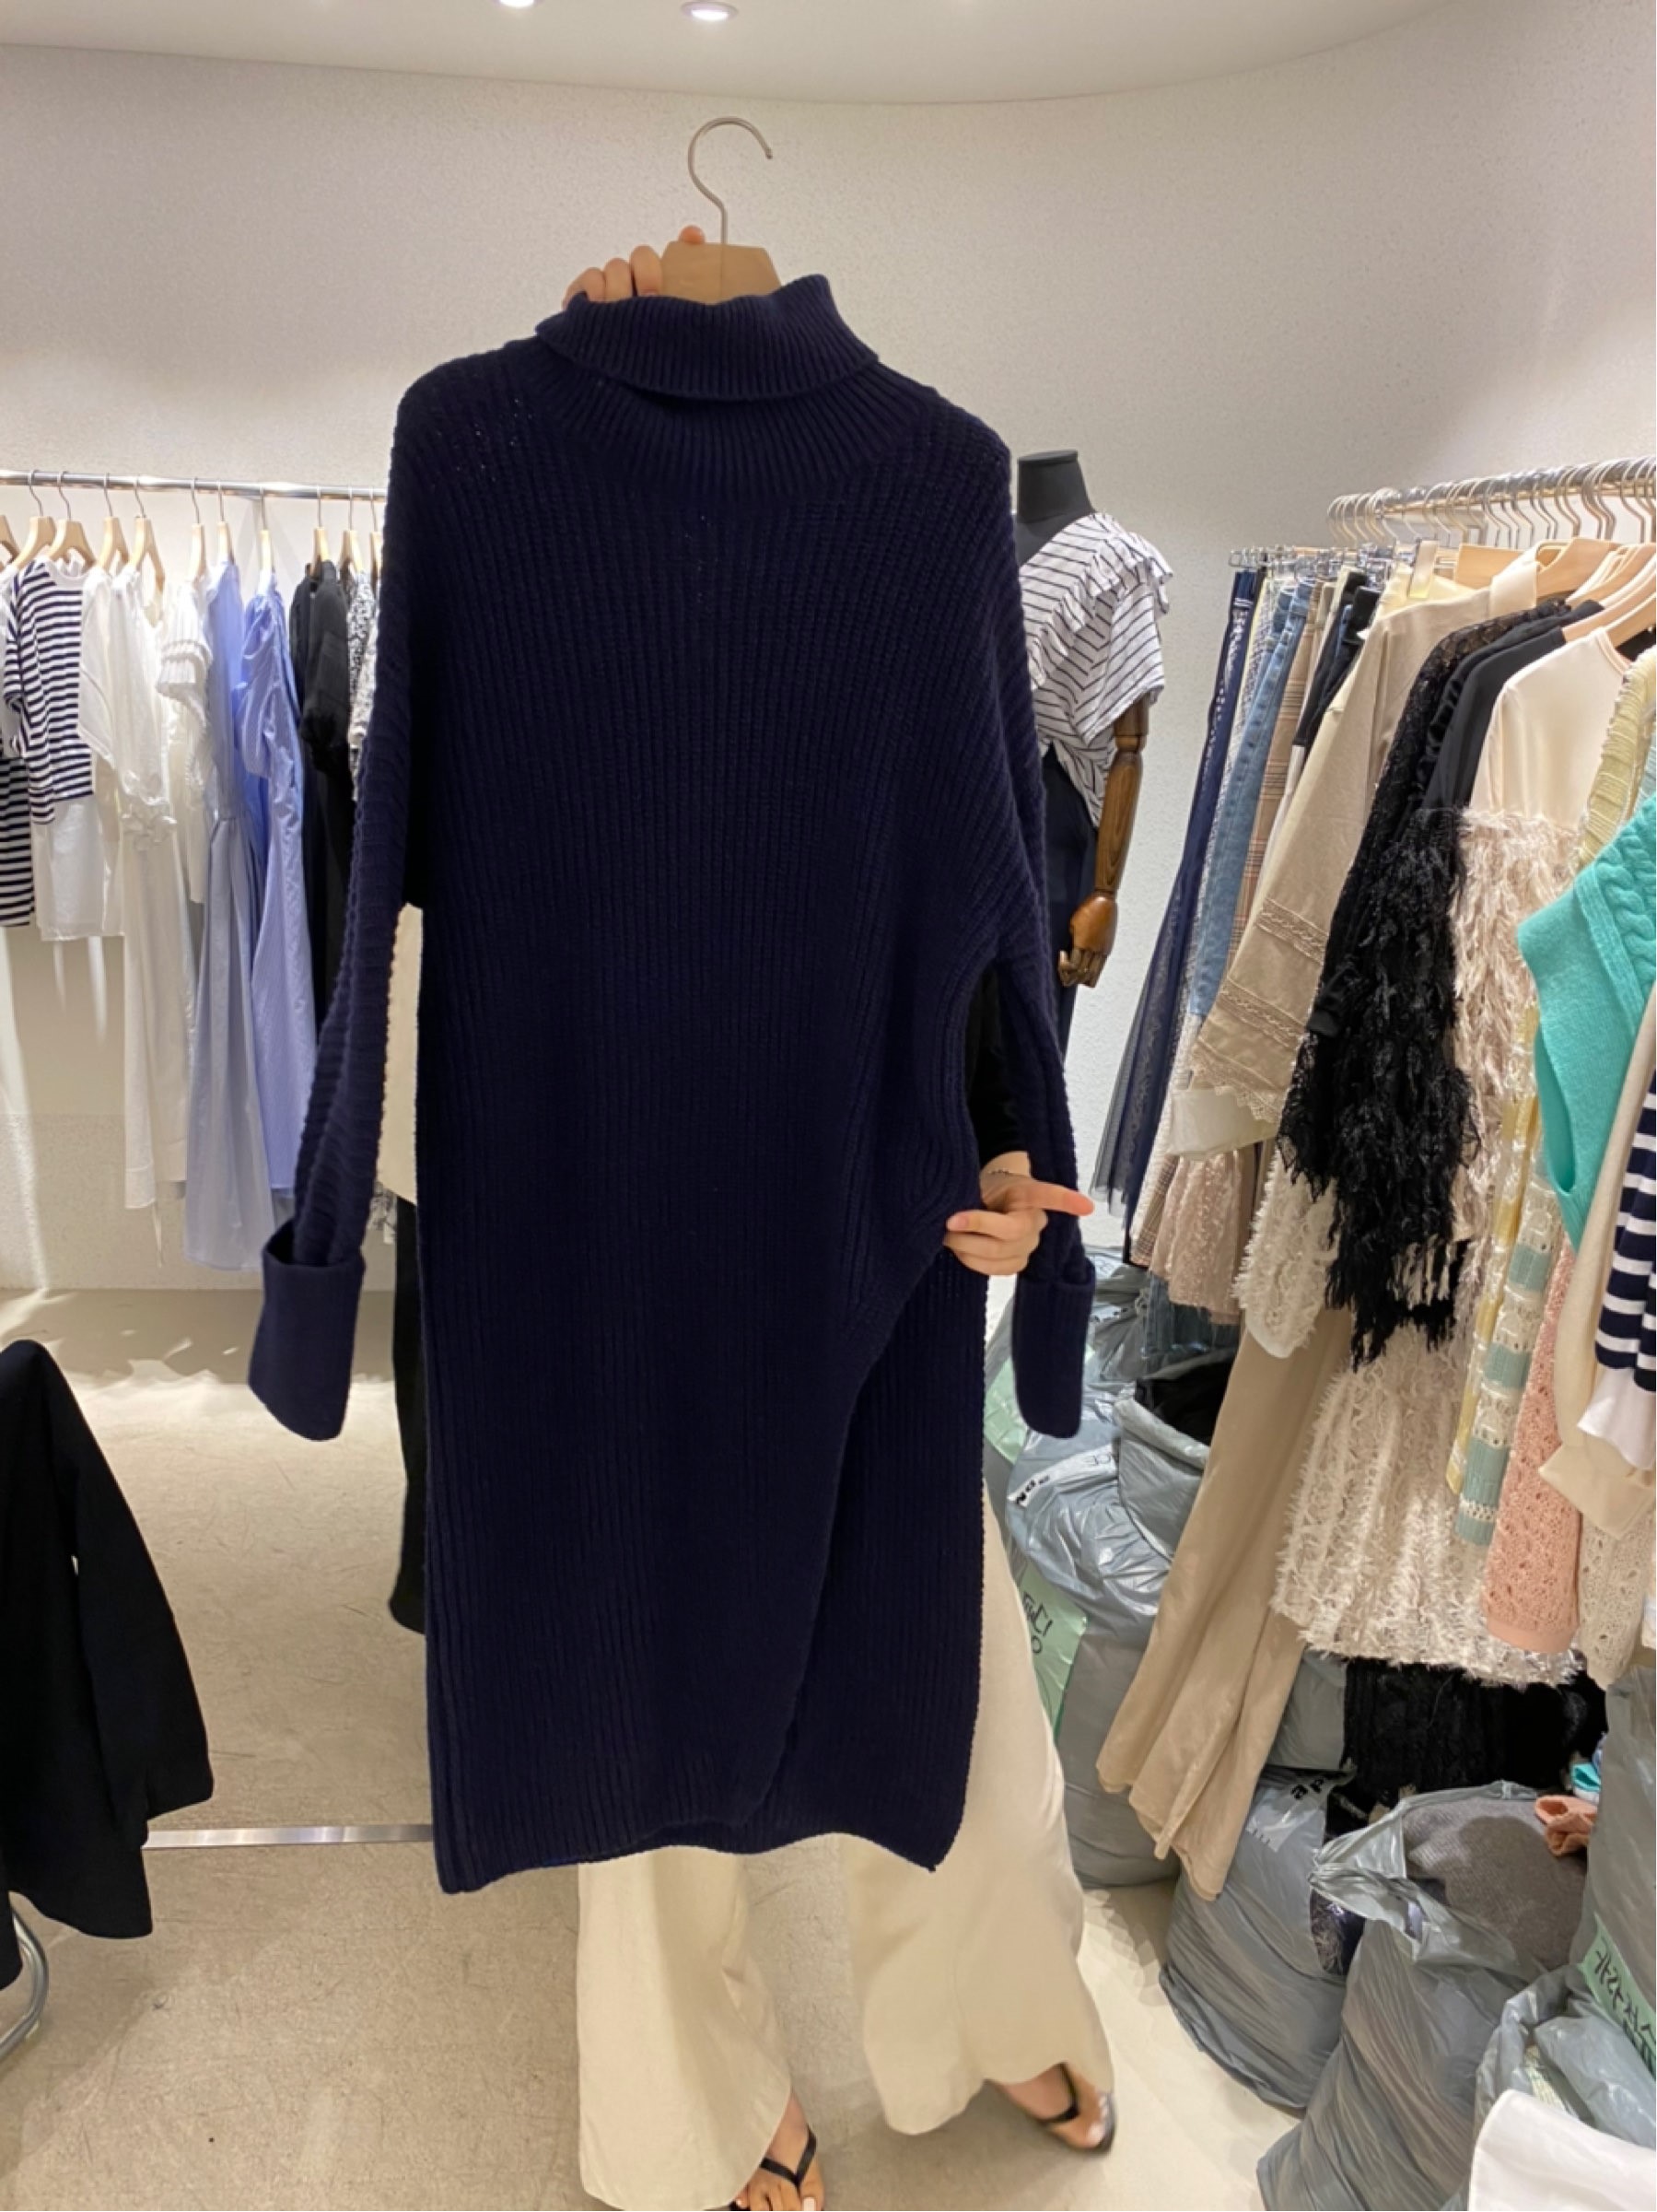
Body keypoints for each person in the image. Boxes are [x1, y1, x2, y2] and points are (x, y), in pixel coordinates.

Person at [560, 236, 1115, 2212]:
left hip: (875, 1187)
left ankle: (990, 1991)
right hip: (623, 1205)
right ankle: (686, 2105)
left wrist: (999, 1144)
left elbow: (974, 853)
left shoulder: (918, 492)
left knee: (938, 1636)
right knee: (647, 1677)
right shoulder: (529, 506)